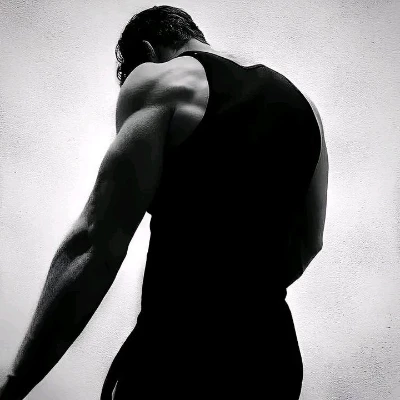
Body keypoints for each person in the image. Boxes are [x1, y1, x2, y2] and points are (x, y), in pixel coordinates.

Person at [0, 5, 328, 400]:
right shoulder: (305, 105)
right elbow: (310, 243)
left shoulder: (162, 78)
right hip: (272, 360)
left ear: (146, 50)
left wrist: (15, 383)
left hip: (177, 357)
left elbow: (95, 244)